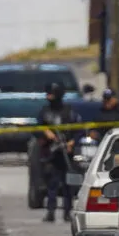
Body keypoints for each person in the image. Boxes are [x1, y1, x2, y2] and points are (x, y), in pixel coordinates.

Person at [37, 82, 81, 222]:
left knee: (68, 184)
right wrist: (47, 133)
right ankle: (50, 212)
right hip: (51, 153)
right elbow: (38, 127)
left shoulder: (69, 111)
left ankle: (67, 212)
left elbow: (79, 130)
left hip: (66, 153)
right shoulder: (45, 111)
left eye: (52, 93)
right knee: (52, 184)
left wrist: (71, 143)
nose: (49, 96)